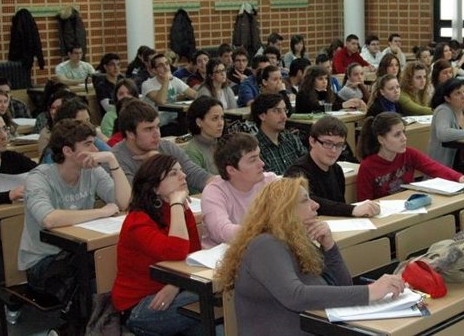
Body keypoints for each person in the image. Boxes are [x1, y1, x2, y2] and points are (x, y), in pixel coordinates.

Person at [215, 176, 405, 335]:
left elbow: (343, 286)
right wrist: (370, 292)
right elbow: (295, 296)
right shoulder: (265, 244)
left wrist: (329, 246)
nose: (315, 205)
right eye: (306, 200)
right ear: (284, 210)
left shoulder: (298, 242)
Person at [20, 119, 131, 333]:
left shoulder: (92, 171)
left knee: (105, 263)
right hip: (42, 262)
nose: (95, 149)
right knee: (93, 271)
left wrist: (112, 160)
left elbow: (125, 202)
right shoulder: (40, 177)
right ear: (68, 151)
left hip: (79, 254)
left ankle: (78, 328)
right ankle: (82, 328)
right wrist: (100, 212)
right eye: (88, 144)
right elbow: (49, 219)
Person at [111, 154, 204, 336]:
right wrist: (177, 203)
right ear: (154, 187)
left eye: (181, 171)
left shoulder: (179, 210)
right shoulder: (137, 221)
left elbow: (193, 255)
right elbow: (176, 251)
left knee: (213, 312)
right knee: (210, 300)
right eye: (173, 173)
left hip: (174, 290)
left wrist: (174, 285)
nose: (183, 176)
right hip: (138, 306)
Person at [357, 112, 464, 200]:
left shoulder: (409, 154)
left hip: (409, 207)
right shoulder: (368, 166)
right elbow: (364, 201)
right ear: (381, 139)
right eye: (397, 135)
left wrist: (458, 177)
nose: (404, 138)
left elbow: (434, 167)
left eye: (403, 132)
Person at [285, 116, 379, 217]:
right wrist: (352, 210)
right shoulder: (296, 172)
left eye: (339, 145)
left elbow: (339, 204)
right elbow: (312, 202)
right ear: (312, 141)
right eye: (327, 143)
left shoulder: (336, 169)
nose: (334, 150)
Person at [112, 100, 215, 192]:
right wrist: (156, 164)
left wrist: (220, 184)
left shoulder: (166, 147)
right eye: (148, 129)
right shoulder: (116, 159)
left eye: (157, 127)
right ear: (130, 133)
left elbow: (193, 173)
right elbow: (133, 195)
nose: (157, 134)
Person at [201, 133, 277, 248]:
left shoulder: (270, 182)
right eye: (252, 160)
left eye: (259, 156)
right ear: (231, 170)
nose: (262, 163)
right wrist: (267, 231)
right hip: (221, 259)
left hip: (262, 251)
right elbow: (221, 231)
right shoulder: (214, 191)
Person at [39, 97, 111, 163]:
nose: (87, 126)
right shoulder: (53, 153)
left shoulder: (93, 140)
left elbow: (113, 156)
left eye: (88, 121)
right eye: (81, 123)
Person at [252, 93, 306, 175]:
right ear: (262, 116)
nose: (284, 116)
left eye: (285, 110)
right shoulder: (255, 149)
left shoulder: (292, 139)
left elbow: (309, 166)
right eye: (277, 111)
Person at [142, 53, 197, 135]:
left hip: (175, 120)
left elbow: (195, 94)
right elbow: (160, 101)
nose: (166, 67)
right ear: (154, 70)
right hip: (157, 125)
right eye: (161, 65)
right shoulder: (148, 84)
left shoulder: (175, 80)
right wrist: (166, 80)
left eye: (167, 63)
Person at [0, 112, 36, 203]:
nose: (4, 136)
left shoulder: (12, 158)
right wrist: (9, 195)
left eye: (5, 129)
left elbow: (41, 172)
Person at [296, 65, 365, 113]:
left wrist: (353, 103)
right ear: (311, 80)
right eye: (320, 79)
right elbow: (316, 109)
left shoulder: (328, 92)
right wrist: (343, 105)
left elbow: (341, 102)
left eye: (326, 78)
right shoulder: (303, 94)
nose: (324, 82)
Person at [183, 97, 224, 175]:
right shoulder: (192, 152)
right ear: (199, 122)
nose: (221, 123)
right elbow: (197, 185)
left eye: (222, 118)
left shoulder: (223, 144)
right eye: (215, 118)